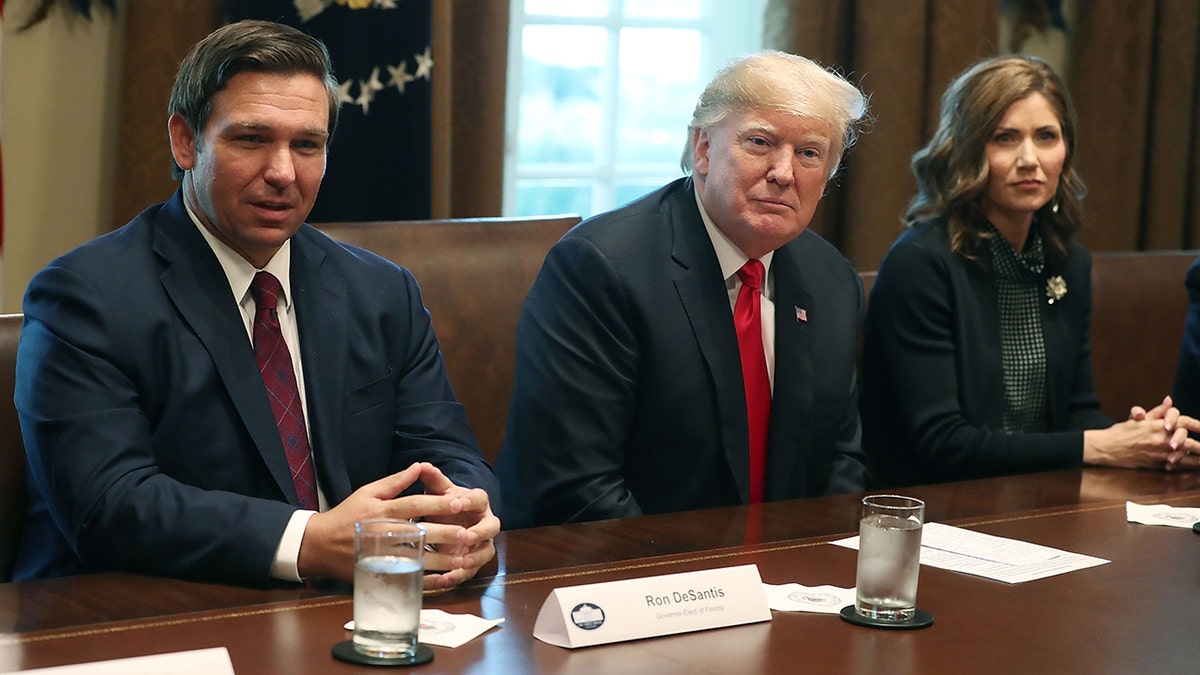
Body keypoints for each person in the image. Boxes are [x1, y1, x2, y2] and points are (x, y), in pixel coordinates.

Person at [12, 20, 500, 588]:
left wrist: (462, 513)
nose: (282, 173)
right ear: (185, 141)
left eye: (307, 145)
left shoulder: (382, 291)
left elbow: (444, 450)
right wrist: (308, 542)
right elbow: (110, 506)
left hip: (349, 604)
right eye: (251, 139)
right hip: (137, 614)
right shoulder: (86, 297)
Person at [497, 50, 871, 528]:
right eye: (760, 142)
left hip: (785, 582)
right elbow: (576, 489)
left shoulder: (831, 279)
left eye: (809, 153)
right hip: (624, 578)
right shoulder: (601, 268)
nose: (784, 172)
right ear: (703, 150)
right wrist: (702, 592)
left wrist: (809, 569)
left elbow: (840, 464)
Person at [861, 54, 1200, 488]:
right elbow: (941, 442)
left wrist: (1141, 434)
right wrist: (1099, 446)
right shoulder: (921, 263)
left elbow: (1075, 410)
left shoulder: (1066, 261)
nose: (1029, 159)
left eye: (1046, 137)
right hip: (937, 506)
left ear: (1066, 149)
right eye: (1005, 138)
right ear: (967, 150)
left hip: (1040, 496)